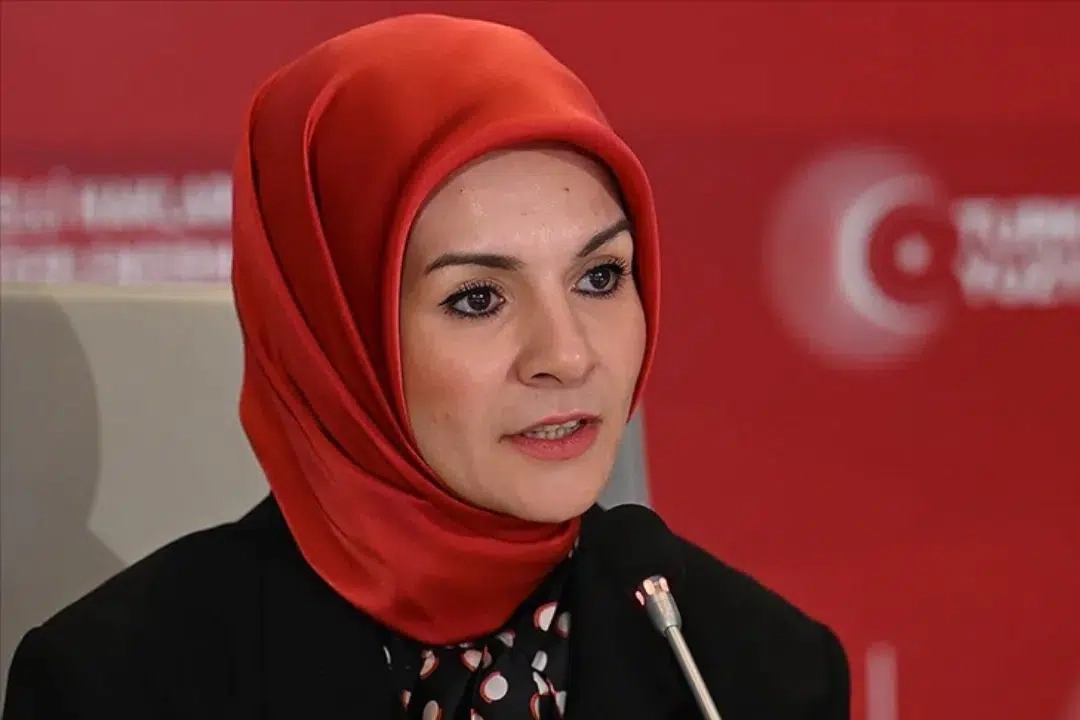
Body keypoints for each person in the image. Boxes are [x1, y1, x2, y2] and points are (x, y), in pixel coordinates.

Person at [2, 13, 850, 720]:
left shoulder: (755, 672)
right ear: (336, 338)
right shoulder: (116, 687)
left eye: (600, 277)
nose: (568, 355)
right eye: (478, 298)